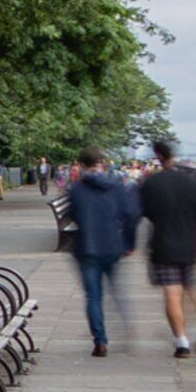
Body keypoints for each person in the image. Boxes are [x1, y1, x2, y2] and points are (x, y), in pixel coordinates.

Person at [137, 138, 196, 357]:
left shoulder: (151, 183)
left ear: (158, 156)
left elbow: (145, 212)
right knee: (192, 284)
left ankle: (182, 342)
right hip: (190, 242)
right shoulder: (192, 182)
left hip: (163, 243)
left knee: (172, 292)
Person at [64, 152, 140, 356]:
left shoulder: (77, 188)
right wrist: (129, 242)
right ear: (103, 164)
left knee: (93, 297)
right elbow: (130, 215)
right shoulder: (116, 185)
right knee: (117, 291)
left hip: (87, 246)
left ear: (82, 165)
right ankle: (127, 325)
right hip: (112, 245)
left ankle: (100, 340)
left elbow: (73, 214)